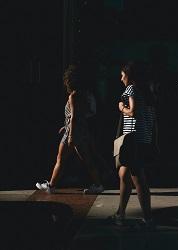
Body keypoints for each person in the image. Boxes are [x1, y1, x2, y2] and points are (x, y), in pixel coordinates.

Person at [36, 64, 104, 194]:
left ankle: (51, 186)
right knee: (87, 160)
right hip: (81, 131)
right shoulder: (83, 95)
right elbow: (81, 115)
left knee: (60, 159)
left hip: (73, 132)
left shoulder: (73, 96)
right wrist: (66, 126)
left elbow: (73, 117)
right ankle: (98, 184)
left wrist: (71, 134)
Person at [108, 62, 157, 228]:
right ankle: (120, 213)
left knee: (138, 179)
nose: (121, 78)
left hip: (132, 139)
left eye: (123, 75)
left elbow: (133, 111)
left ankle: (148, 218)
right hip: (142, 139)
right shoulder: (147, 92)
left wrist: (122, 107)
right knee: (124, 174)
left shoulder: (130, 89)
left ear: (130, 76)